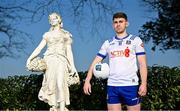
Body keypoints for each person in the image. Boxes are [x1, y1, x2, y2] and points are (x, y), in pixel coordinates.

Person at [83, 12, 147, 111]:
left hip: (130, 85)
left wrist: (144, 83)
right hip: (112, 86)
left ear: (126, 23)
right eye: (115, 22)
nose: (118, 24)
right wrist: (87, 80)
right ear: (113, 25)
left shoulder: (136, 40)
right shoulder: (108, 43)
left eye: (121, 21)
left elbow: (142, 64)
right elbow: (95, 62)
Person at [26, 12, 79, 111]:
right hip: (49, 61)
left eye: (54, 18)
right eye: (50, 19)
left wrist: (73, 66)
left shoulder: (65, 34)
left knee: (60, 83)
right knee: (51, 85)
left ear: (59, 19)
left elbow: (69, 51)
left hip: (61, 60)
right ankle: (54, 106)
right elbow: (39, 48)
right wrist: (30, 58)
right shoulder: (47, 35)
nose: (52, 20)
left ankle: (62, 108)